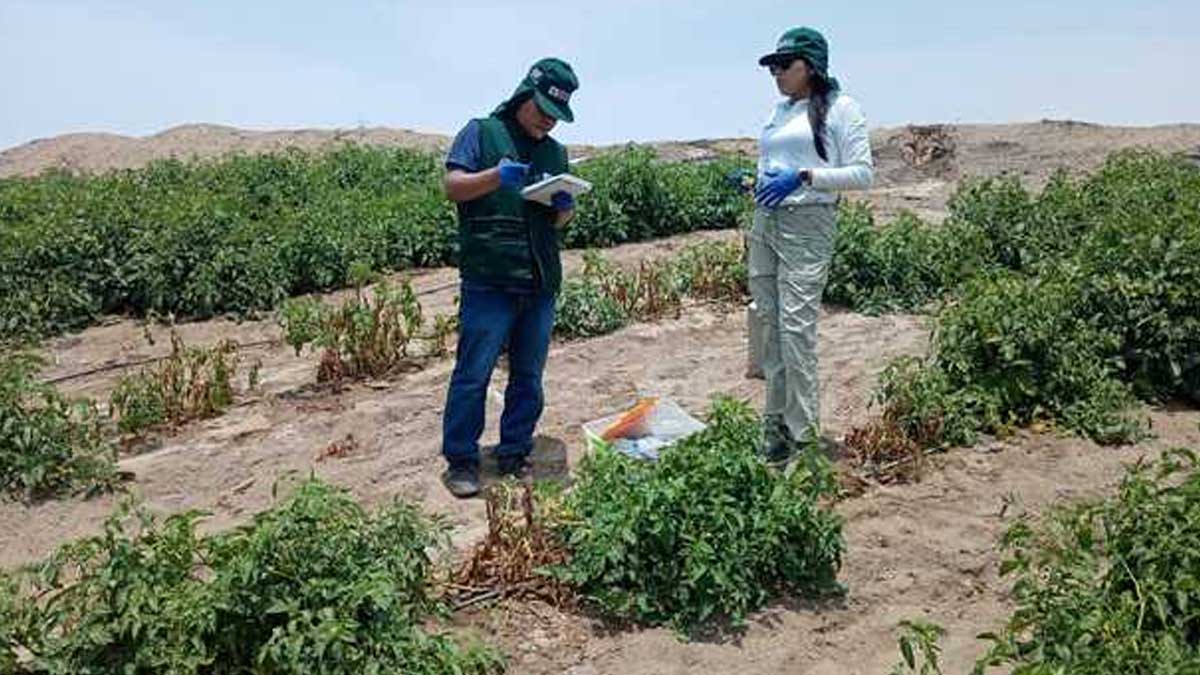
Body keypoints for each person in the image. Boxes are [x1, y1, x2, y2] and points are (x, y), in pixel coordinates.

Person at [439, 58, 580, 498]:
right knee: (473, 373)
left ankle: (514, 450)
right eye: (541, 111)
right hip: (490, 279)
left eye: (556, 116)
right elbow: (453, 186)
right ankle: (462, 458)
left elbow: (557, 225)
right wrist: (497, 176)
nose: (547, 122)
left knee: (528, 376)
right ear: (523, 96)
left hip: (538, 281)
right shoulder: (481, 132)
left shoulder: (554, 152)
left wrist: (563, 208)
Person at [751, 27, 873, 461]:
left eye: (785, 65)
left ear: (811, 66)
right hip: (766, 222)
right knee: (770, 329)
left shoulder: (842, 109)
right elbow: (775, 163)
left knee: (797, 332)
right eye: (773, 67)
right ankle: (774, 430)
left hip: (808, 223)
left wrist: (804, 178)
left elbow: (863, 173)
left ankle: (803, 441)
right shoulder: (779, 112)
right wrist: (756, 181)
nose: (777, 73)